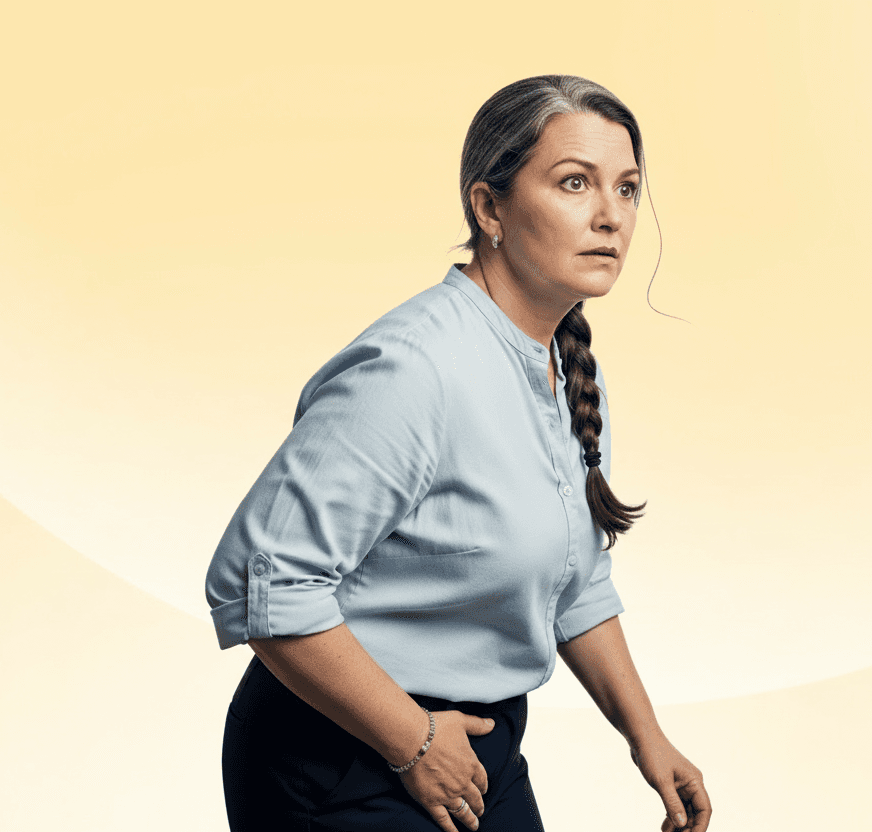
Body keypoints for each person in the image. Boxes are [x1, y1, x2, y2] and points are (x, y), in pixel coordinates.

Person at [205, 74, 712, 832]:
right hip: (339, 753)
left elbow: (570, 584)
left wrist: (649, 739)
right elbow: (265, 584)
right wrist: (413, 742)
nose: (611, 216)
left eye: (629, 188)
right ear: (489, 207)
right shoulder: (414, 369)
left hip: (478, 740)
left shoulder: (561, 363)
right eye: (575, 183)